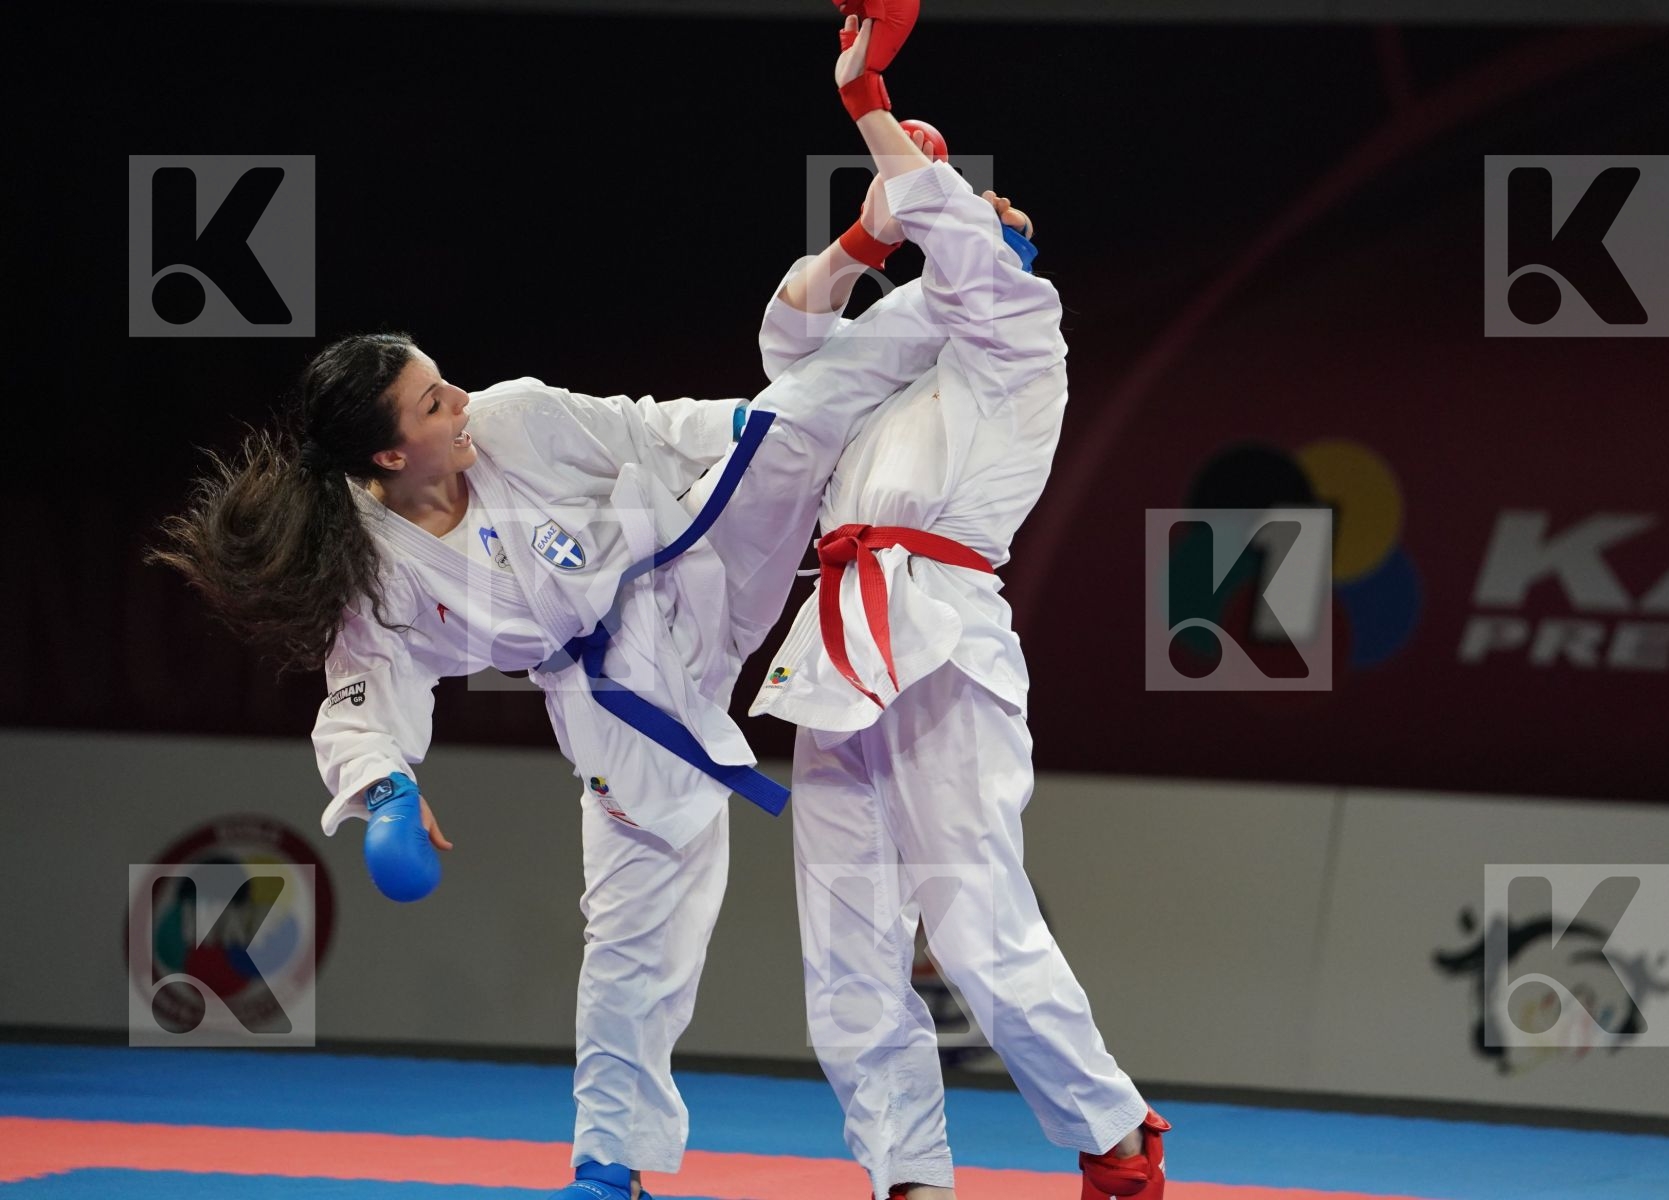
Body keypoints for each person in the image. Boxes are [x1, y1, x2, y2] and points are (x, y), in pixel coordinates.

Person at [149, 17, 944, 1200]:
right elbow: (367, 697)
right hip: (613, 701)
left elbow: (642, 427)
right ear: (383, 459)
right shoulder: (376, 574)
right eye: (430, 400)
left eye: (441, 378)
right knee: (629, 939)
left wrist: (747, 438)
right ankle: (605, 1167)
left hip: (692, 560)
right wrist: (389, 796)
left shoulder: (514, 415)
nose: (456, 396)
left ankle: (933, 274)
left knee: (797, 413)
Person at [747, 14, 1170, 1200]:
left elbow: (965, 254)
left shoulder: (1026, 341)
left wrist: (871, 105)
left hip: (939, 630)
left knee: (973, 922)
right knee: (844, 951)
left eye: (978, 220)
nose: (979, 232)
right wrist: (860, 234)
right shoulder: (903, 367)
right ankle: (908, 1177)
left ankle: (1115, 1136)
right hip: (839, 640)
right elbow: (790, 345)